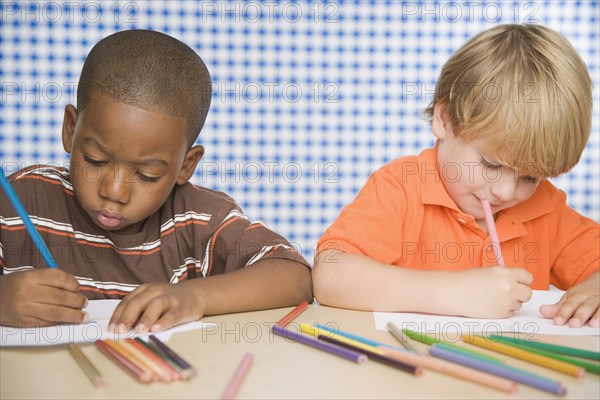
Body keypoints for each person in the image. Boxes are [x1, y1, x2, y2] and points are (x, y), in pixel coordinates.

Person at [0, 30, 312, 332]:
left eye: (147, 174)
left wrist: (196, 296)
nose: (114, 191)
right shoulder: (19, 200)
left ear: (185, 166)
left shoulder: (198, 219)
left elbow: (295, 277)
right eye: (96, 160)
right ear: (71, 129)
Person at [312, 24, 599, 328]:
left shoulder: (546, 209)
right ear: (444, 118)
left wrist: (592, 290)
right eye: (490, 164)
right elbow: (330, 276)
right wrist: (455, 293)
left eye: (530, 177)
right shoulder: (401, 187)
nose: (504, 190)